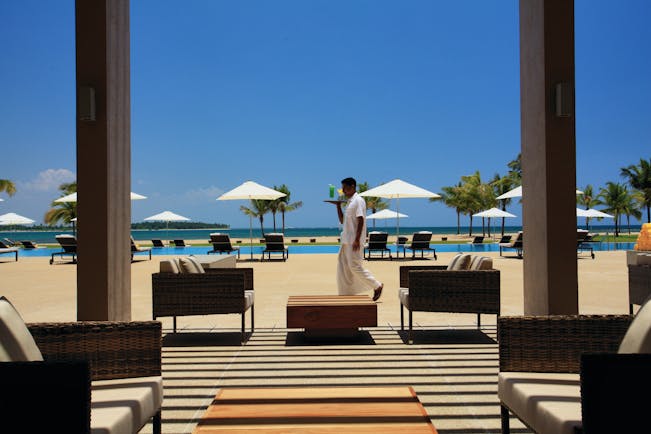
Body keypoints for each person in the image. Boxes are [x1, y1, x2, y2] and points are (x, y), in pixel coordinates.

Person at [331, 177, 384, 301]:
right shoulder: (350, 202)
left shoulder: (358, 200)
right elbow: (342, 221)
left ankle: (377, 285)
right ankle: (346, 293)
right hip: (346, 240)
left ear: (353, 187)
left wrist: (357, 239)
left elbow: (361, 220)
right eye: (342, 188)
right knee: (343, 266)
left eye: (345, 187)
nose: (343, 190)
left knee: (354, 266)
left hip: (353, 240)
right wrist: (338, 206)